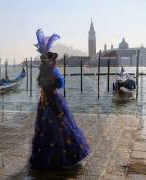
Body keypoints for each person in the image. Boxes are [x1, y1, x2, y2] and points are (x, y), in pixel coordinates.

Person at [29, 29, 91, 169]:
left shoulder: (45, 72)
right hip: (52, 104)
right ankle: (61, 160)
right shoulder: (50, 73)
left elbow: (47, 91)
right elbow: (50, 93)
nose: (56, 62)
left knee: (47, 133)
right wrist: (58, 111)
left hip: (46, 104)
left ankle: (49, 160)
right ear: (51, 61)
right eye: (54, 60)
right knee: (59, 131)